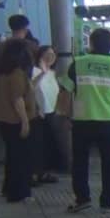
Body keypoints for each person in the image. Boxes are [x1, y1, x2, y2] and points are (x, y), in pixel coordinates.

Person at [66, 28, 110, 213]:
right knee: (109, 162)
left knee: (80, 162)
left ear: (92, 43)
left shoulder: (78, 63)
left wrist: (65, 115)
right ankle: (108, 202)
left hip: (83, 119)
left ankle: (82, 199)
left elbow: (66, 90)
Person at [0, 39, 37, 203]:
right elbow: (17, 99)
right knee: (21, 157)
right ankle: (20, 192)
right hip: (15, 120)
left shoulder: (0, 72)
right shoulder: (17, 73)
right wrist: (25, 121)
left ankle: (9, 188)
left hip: (2, 118)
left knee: (12, 156)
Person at [30, 45, 62, 182]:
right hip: (38, 113)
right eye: (47, 54)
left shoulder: (52, 73)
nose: (50, 57)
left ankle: (44, 173)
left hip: (51, 112)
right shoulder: (34, 70)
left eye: (53, 54)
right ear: (40, 56)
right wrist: (42, 73)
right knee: (38, 145)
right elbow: (31, 88)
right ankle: (35, 173)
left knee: (48, 144)